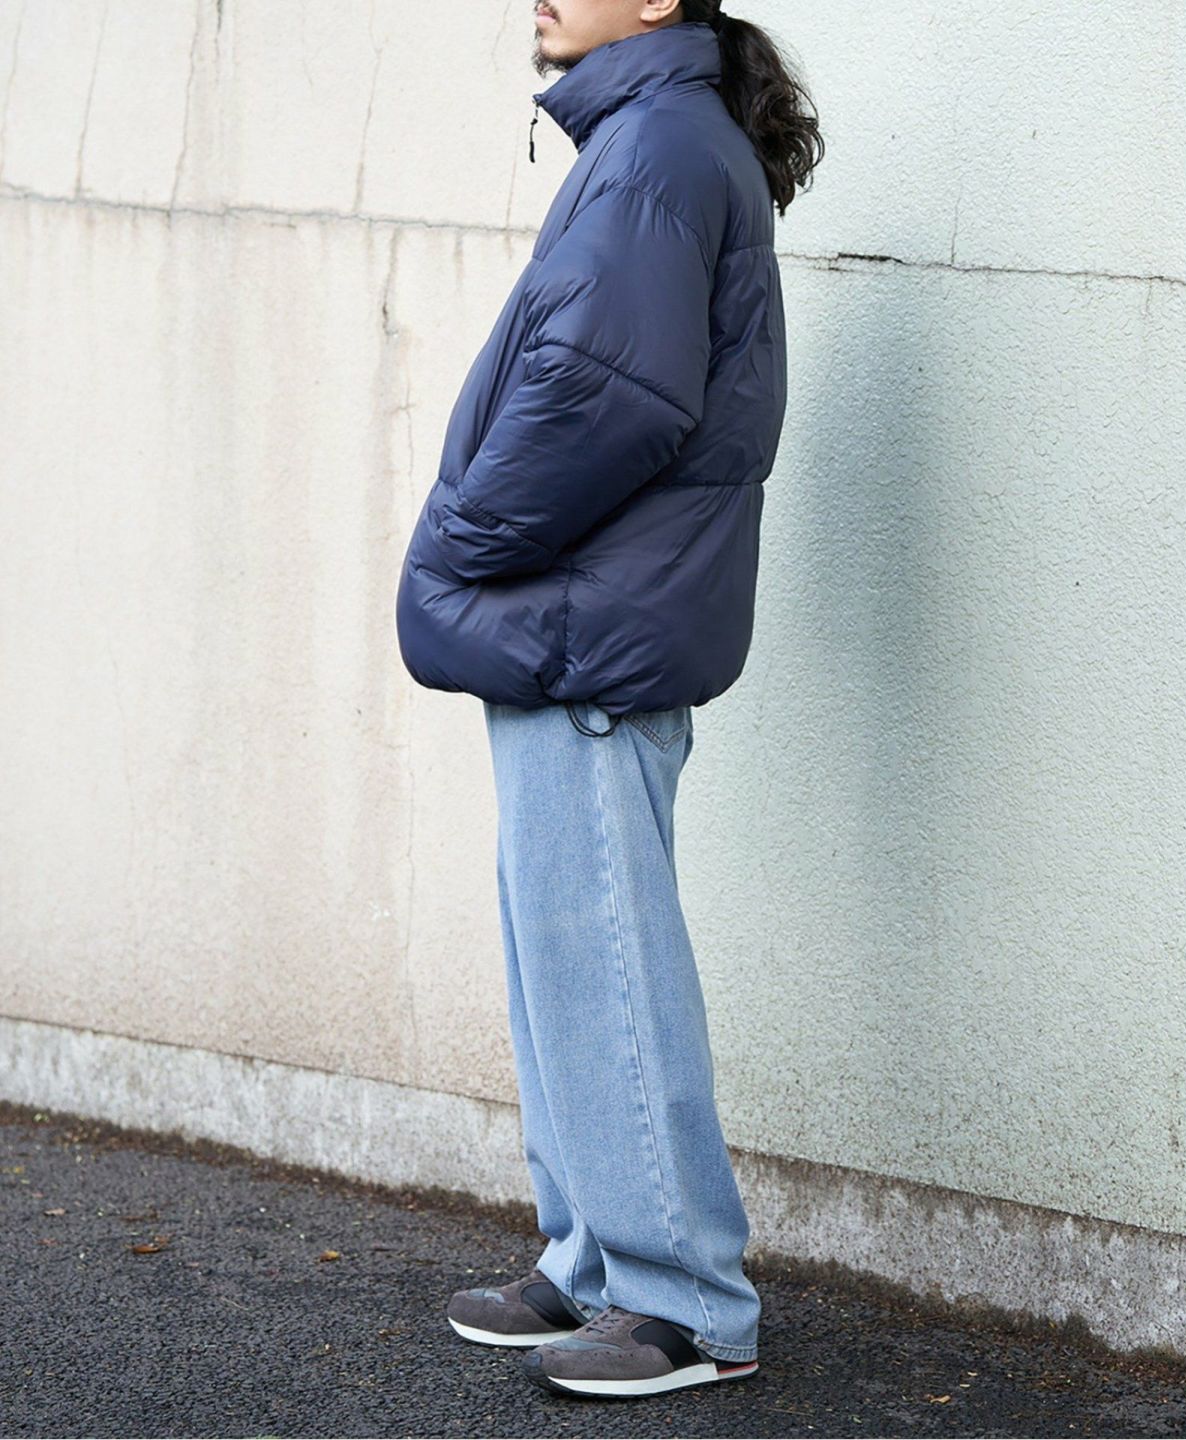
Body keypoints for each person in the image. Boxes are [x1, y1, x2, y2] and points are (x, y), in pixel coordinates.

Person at [395, 0, 821, 1402]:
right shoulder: (650, 137)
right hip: (582, 619)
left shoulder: (659, 148)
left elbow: (604, 395)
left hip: (593, 627)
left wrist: (459, 540)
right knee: (563, 954)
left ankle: (684, 1301)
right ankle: (591, 1262)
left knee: (606, 959)